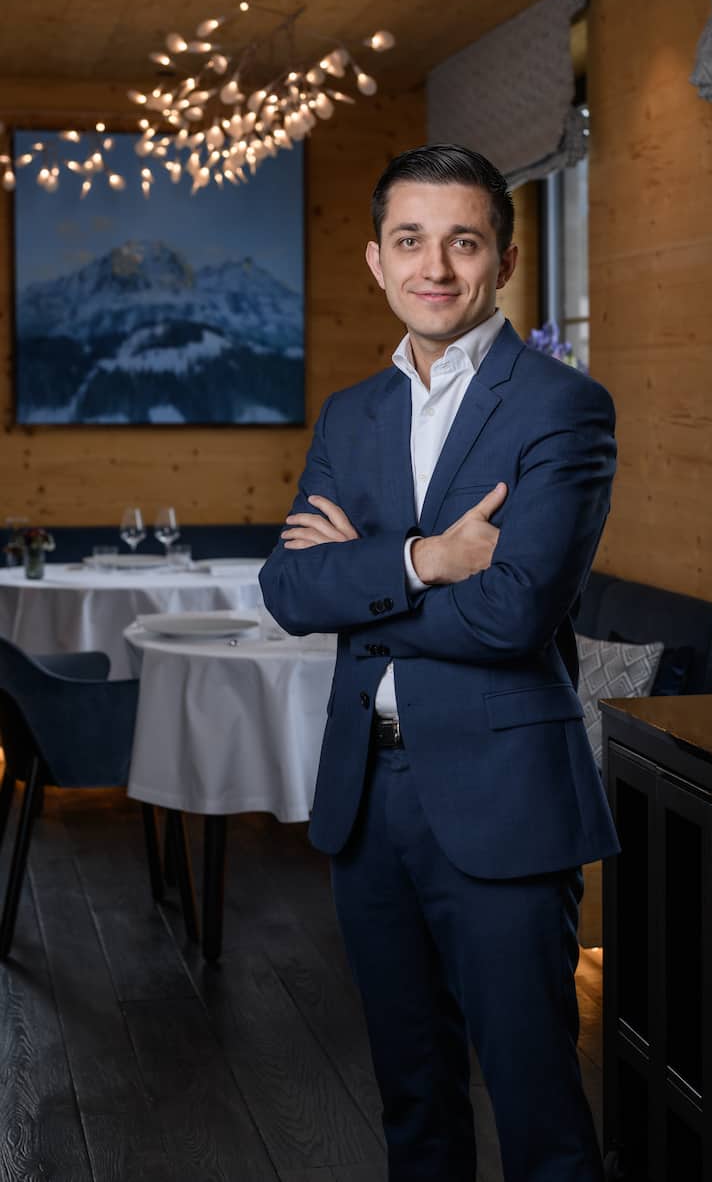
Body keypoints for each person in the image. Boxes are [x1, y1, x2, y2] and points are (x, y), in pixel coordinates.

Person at [260, 143, 618, 1181]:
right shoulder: (351, 414)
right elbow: (287, 593)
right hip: (367, 798)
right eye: (410, 241)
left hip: (504, 800)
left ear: (503, 259)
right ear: (376, 260)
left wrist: (362, 587)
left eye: (464, 242)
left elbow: (511, 617)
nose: (436, 267)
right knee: (412, 1098)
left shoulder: (561, 407)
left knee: (537, 1103)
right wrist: (426, 559)